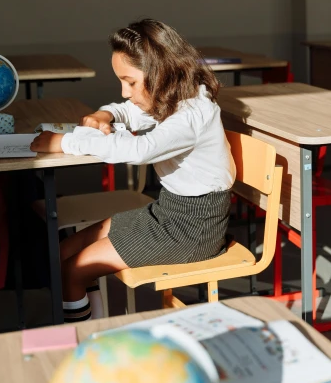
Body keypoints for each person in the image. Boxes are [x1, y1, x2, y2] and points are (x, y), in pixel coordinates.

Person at [30, 18, 236, 322]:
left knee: (75, 270)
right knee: (63, 253)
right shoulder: (173, 96)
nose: (125, 92)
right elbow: (130, 111)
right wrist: (106, 113)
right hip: (168, 212)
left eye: (130, 82)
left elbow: (140, 150)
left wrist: (65, 142)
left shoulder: (193, 113)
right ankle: (94, 328)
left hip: (193, 229)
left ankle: (83, 346)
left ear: (160, 72)